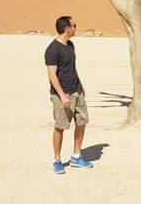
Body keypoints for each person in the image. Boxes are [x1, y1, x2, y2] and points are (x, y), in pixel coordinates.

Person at [45, 15, 93, 174]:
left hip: (77, 91)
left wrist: (81, 85)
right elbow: (52, 75)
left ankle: (76, 156)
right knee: (60, 127)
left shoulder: (70, 45)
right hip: (62, 94)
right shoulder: (52, 49)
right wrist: (62, 95)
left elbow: (72, 68)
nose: (75, 28)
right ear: (67, 28)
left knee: (81, 122)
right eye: (74, 25)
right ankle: (57, 160)